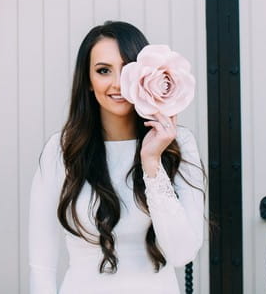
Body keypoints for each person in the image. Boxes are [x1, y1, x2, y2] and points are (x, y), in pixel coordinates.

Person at [29, 21, 206, 293]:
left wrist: (152, 163)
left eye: (127, 69)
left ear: (145, 75)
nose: (117, 83)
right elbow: (42, 264)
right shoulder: (61, 150)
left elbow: (182, 252)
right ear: (88, 81)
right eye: (103, 71)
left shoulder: (178, 144)